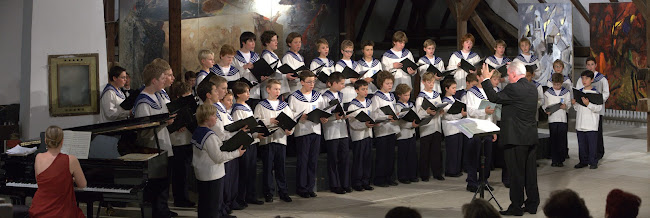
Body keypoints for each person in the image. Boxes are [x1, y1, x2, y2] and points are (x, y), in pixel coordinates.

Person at [480, 61, 539, 216]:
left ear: (513, 74)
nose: (507, 77)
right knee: (530, 173)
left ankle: (516, 207)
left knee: (516, 174)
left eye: (508, 74)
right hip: (530, 137)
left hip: (516, 139)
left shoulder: (513, 88)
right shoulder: (532, 88)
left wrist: (486, 79)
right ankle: (532, 204)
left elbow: (493, 97)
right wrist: (512, 65)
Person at [133, 59, 177, 217]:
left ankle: (162, 210)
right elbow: (143, 132)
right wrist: (164, 122)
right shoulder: (143, 102)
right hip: (152, 149)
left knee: (164, 184)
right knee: (155, 187)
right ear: (153, 80)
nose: (165, 81)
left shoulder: (158, 96)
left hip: (164, 145)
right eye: (162, 78)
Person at [192, 104, 245, 218]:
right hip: (212, 174)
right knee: (212, 207)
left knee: (204, 206)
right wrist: (237, 153)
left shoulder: (198, 131)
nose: (216, 117)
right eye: (214, 115)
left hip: (202, 173)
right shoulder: (209, 135)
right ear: (206, 118)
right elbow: (218, 157)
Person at [29, 126, 87, 218]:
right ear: (62, 141)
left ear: (45, 140)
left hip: (39, 210)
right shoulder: (71, 160)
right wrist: (69, 179)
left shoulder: (38, 157)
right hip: (62, 212)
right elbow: (82, 184)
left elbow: (40, 182)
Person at [288, 70, 328, 198]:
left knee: (313, 160)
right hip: (302, 131)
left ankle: (310, 187)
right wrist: (300, 116)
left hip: (316, 130)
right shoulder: (294, 97)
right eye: (309, 82)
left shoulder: (318, 96)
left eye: (313, 82)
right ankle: (302, 187)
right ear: (302, 82)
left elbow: (323, 111)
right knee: (303, 161)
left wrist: (323, 118)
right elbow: (290, 114)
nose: (312, 84)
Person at [254, 79, 294, 203]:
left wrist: (289, 130)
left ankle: (283, 192)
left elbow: (291, 121)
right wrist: (269, 121)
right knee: (267, 168)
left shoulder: (284, 105)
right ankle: (268, 193)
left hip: (280, 140)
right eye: (275, 89)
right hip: (267, 141)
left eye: (279, 89)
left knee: (280, 168)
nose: (277, 91)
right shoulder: (261, 105)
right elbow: (256, 121)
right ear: (268, 90)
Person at [230, 81, 265, 206]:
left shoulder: (246, 106)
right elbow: (240, 127)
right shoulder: (237, 109)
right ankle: (241, 197)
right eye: (246, 92)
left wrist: (257, 133)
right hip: (245, 143)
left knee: (251, 171)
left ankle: (251, 195)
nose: (248, 94)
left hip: (252, 141)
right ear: (238, 94)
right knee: (244, 172)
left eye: (249, 91)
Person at [463, 73, 497, 192]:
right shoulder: (471, 92)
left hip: (487, 127)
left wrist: (494, 129)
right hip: (475, 128)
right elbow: (471, 111)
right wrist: (484, 112)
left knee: (486, 156)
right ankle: (471, 182)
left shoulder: (490, 91)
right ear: (478, 77)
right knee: (474, 156)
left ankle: (484, 180)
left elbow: (494, 112)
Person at [321, 72, 351, 194]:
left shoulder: (341, 95)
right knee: (333, 159)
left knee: (344, 158)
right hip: (331, 130)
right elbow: (324, 115)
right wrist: (335, 116)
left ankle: (345, 183)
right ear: (332, 83)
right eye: (341, 84)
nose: (343, 86)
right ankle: (335, 185)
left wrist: (344, 115)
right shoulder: (325, 96)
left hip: (342, 130)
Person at [168, 81, 196, 207]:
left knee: (185, 172)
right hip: (178, 142)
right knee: (180, 173)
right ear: (178, 97)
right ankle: (180, 199)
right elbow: (171, 125)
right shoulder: (173, 107)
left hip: (187, 139)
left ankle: (184, 197)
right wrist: (178, 124)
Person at [576, 57, 610, 160]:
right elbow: (578, 92)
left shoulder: (601, 78)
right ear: (586, 66)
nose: (590, 66)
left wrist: (596, 101)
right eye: (588, 64)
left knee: (596, 133)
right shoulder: (581, 79)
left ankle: (598, 153)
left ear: (595, 65)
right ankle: (586, 156)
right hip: (584, 109)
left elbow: (606, 93)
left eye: (592, 64)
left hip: (595, 109)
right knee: (584, 136)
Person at [370, 71, 400, 187]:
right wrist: (386, 117)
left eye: (391, 83)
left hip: (391, 128)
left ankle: (389, 177)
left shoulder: (392, 96)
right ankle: (380, 179)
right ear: (381, 84)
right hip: (382, 130)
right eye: (387, 83)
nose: (390, 86)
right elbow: (374, 115)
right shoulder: (376, 97)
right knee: (382, 156)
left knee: (390, 155)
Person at [415, 71, 444, 181]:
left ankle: (437, 173)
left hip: (436, 126)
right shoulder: (421, 97)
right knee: (425, 153)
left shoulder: (436, 95)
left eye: (432, 82)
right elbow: (418, 113)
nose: (431, 84)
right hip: (426, 128)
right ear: (423, 82)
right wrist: (426, 112)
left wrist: (441, 111)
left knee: (436, 152)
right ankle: (424, 174)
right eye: (429, 82)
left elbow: (440, 107)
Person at [346, 80, 375, 191]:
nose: (365, 91)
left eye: (366, 89)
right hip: (358, 135)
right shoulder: (353, 105)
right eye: (363, 89)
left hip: (368, 134)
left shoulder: (369, 102)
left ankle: (365, 181)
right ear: (356, 90)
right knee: (359, 159)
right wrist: (365, 124)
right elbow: (353, 123)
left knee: (367, 159)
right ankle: (357, 182)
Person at [572, 70, 602, 169]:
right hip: (580, 122)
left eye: (587, 78)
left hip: (591, 123)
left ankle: (593, 162)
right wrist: (575, 103)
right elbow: (577, 108)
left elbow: (598, 108)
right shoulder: (580, 92)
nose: (584, 80)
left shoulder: (596, 93)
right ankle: (583, 161)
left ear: (592, 80)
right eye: (583, 78)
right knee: (582, 144)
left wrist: (588, 104)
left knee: (592, 144)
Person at [543, 73, 571, 167]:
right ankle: (554, 160)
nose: (556, 86)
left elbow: (569, 103)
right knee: (554, 140)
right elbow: (545, 104)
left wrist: (566, 106)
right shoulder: (547, 93)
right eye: (555, 84)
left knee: (562, 140)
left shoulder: (566, 92)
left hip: (562, 118)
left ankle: (561, 159)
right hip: (552, 119)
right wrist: (546, 110)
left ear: (562, 83)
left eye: (558, 84)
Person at [233, 31, 266, 109]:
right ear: (243, 42)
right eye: (250, 41)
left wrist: (261, 77)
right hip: (242, 93)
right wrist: (244, 68)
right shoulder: (235, 57)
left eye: (254, 41)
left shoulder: (255, 56)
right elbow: (233, 74)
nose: (253, 43)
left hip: (255, 92)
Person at [441, 79, 467, 178]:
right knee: (452, 151)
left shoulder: (454, 100)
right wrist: (461, 114)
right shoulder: (445, 101)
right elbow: (447, 116)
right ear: (446, 89)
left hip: (458, 127)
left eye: (455, 88)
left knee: (458, 150)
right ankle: (451, 170)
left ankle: (456, 169)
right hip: (450, 128)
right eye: (453, 88)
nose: (455, 90)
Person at [394, 84, 419, 184]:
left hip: (411, 133)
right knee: (403, 156)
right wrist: (410, 124)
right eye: (405, 95)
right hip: (403, 134)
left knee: (412, 156)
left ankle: (412, 175)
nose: (407, 97)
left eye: (408, 95)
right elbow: (399, 122)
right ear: (399, 95)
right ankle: (403, 176)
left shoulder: (411, 105)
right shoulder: (397, 107)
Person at [261, 30, 291, 99]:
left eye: (276, 40)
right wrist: (285, 76)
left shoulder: (273, 54)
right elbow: (271, 73)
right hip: (271, 90)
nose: (276, 42)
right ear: (267, 42)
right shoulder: (266, 56)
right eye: (273, 40)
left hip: (276, 89)